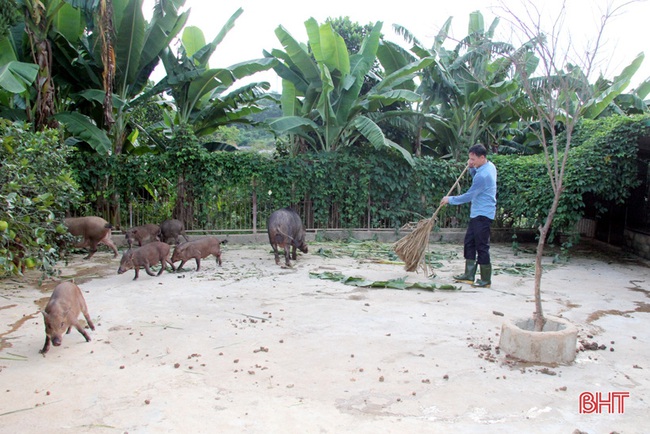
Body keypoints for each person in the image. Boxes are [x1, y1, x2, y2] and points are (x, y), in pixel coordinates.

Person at [440, 144, 497, 288]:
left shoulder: (484, 175)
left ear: (482, 157)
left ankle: (485, 280)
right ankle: (469, 275)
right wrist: (472, 168)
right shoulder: (488, 166)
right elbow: (475, 177)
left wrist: (450, 199)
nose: (470, 161)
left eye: (473, 159)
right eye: (469, 159)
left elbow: (469, 195)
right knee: (469, 242)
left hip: (483, 214)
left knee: (482, 246)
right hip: (478, 213)